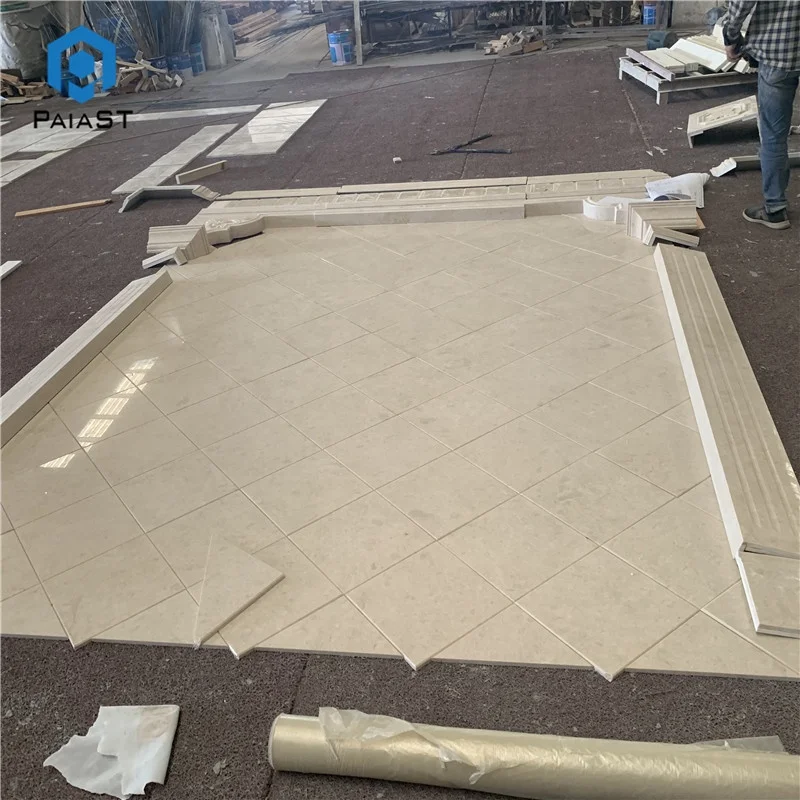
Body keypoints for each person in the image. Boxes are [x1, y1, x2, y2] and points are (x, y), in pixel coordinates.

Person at [723, 0, 800, 230]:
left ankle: (775, 209)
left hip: (779, 53)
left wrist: (731, 36)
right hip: (780, 52)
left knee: (774, 135)